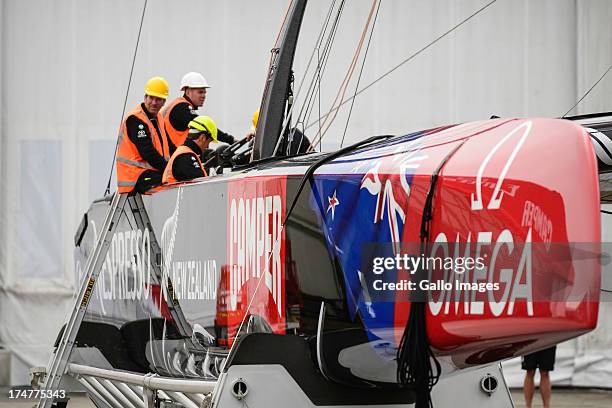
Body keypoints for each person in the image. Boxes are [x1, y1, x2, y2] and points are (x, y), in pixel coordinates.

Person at [116, 76, 174, 194]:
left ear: (164, 102)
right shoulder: (135, 119)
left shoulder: (158, 118)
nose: (153, 102)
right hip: (135, 177)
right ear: (145, 97)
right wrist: (170, 169)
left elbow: (170, 146)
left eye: (158, 99)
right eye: (151, 98)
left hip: (150, 172)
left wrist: (182, 158)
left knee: (180, 179)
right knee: (173, 182)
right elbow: (147, 152)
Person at [161, 72, 236, 149]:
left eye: (204, 93)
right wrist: (232, 140)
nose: (203, 96)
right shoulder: (182, 108)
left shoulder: (177, 104)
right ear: (188, 92)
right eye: (200, 92)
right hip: (172, 156)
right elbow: (205, 126)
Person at [162, 115, 218, 184]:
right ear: (203, 138)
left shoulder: (185, 152)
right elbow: (202, 186)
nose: (207, 147)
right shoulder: (186, 157)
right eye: (208, 142)